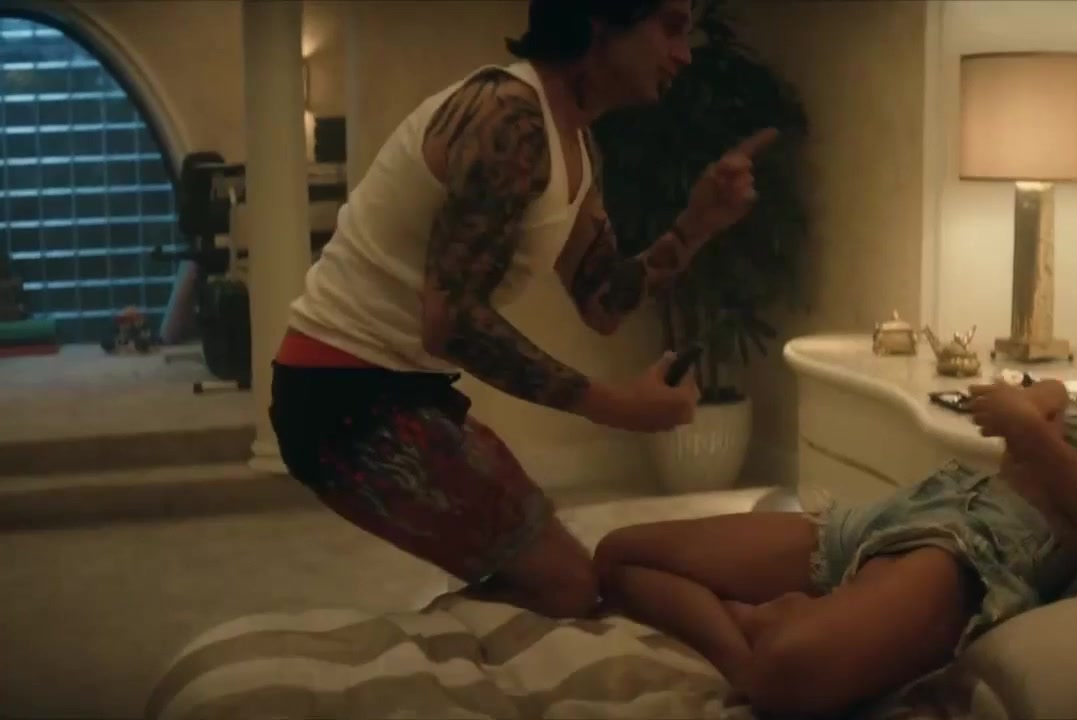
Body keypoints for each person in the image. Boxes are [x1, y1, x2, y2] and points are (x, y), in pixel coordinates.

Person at [594, 298, 1077, 716]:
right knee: (620, 556)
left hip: (979, 550)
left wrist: (1030, 427)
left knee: (787, 675)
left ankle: (766, 640)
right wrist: (1049, 395)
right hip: (917, 507)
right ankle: (765, 630)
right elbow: (1054, 413)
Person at [268, 0, 777, 620]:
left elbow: (603, 300)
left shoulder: (574, 141)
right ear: (600, 20)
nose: (684, 53)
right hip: (340, 393)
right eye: (669, 26)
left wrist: (697, 224)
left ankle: (441, 653)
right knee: (564, 585)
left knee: (557, 580)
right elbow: (451, 320)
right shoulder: (508, 118)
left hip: (401, 386)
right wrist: (616, 406)